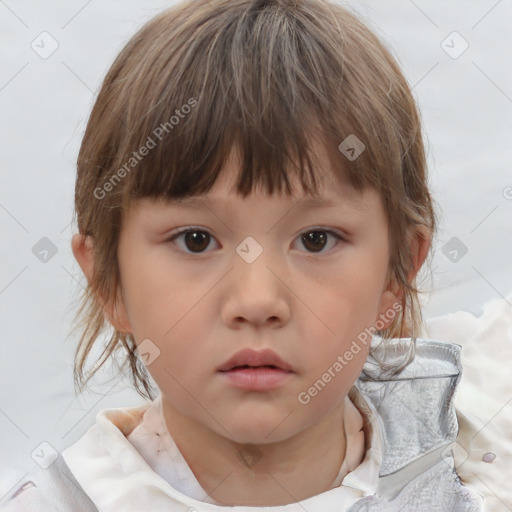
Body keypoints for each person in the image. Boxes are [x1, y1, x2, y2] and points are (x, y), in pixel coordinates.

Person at [0, 0, 487, 510]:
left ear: (397, 273)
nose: (257, 301)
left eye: (316, 239)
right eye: (195, 240)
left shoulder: (474, 477)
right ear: (109, 281)